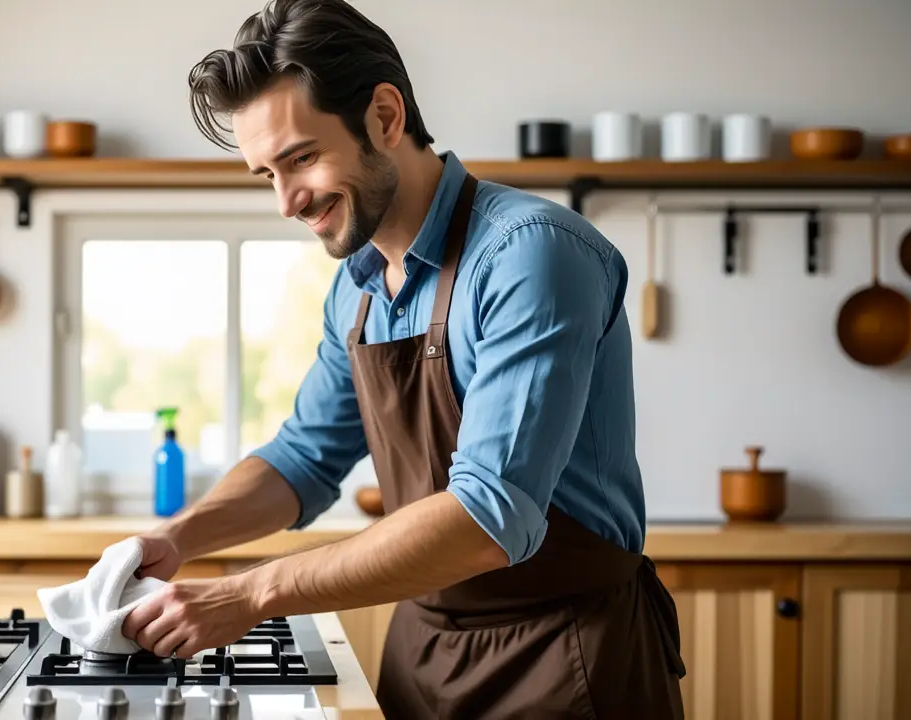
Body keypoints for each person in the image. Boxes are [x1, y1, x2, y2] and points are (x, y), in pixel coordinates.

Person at [120, 0, 687, 716]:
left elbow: (488, 516)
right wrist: (177, 536)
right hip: (423, 654)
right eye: (266, 174)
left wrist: (252, 593)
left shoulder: (529, 255)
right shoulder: (356, 288)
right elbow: (304, 459)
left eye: (300, 158)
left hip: (566, 658)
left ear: (385, 117)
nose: (287, 202)